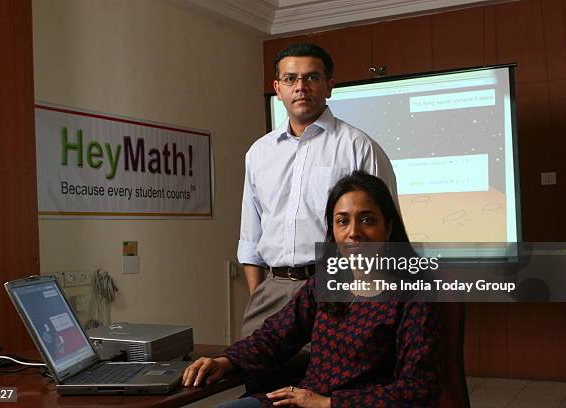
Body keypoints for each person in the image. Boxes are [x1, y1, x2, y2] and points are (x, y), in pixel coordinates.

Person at [185, 171, 442, 408]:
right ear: (333, 231)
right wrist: (225, 361)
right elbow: (276, 335)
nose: (354, 232)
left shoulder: (414, 295)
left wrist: (328, 403)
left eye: (367, 220)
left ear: (388, 227)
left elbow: (418, 389)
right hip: (303, 401)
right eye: (343, 221)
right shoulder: (326, 282)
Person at [238, 43, 398, 340]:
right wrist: (258, 293)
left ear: (329, 86)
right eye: (290, 79)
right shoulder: (258, 153)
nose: (300, 87)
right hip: (272, 291)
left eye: (312, 77)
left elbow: (385, 231)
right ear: (278, 87)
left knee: (327, 383)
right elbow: (251, 235)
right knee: (258, 379)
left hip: (337, 288)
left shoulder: (358, 147)